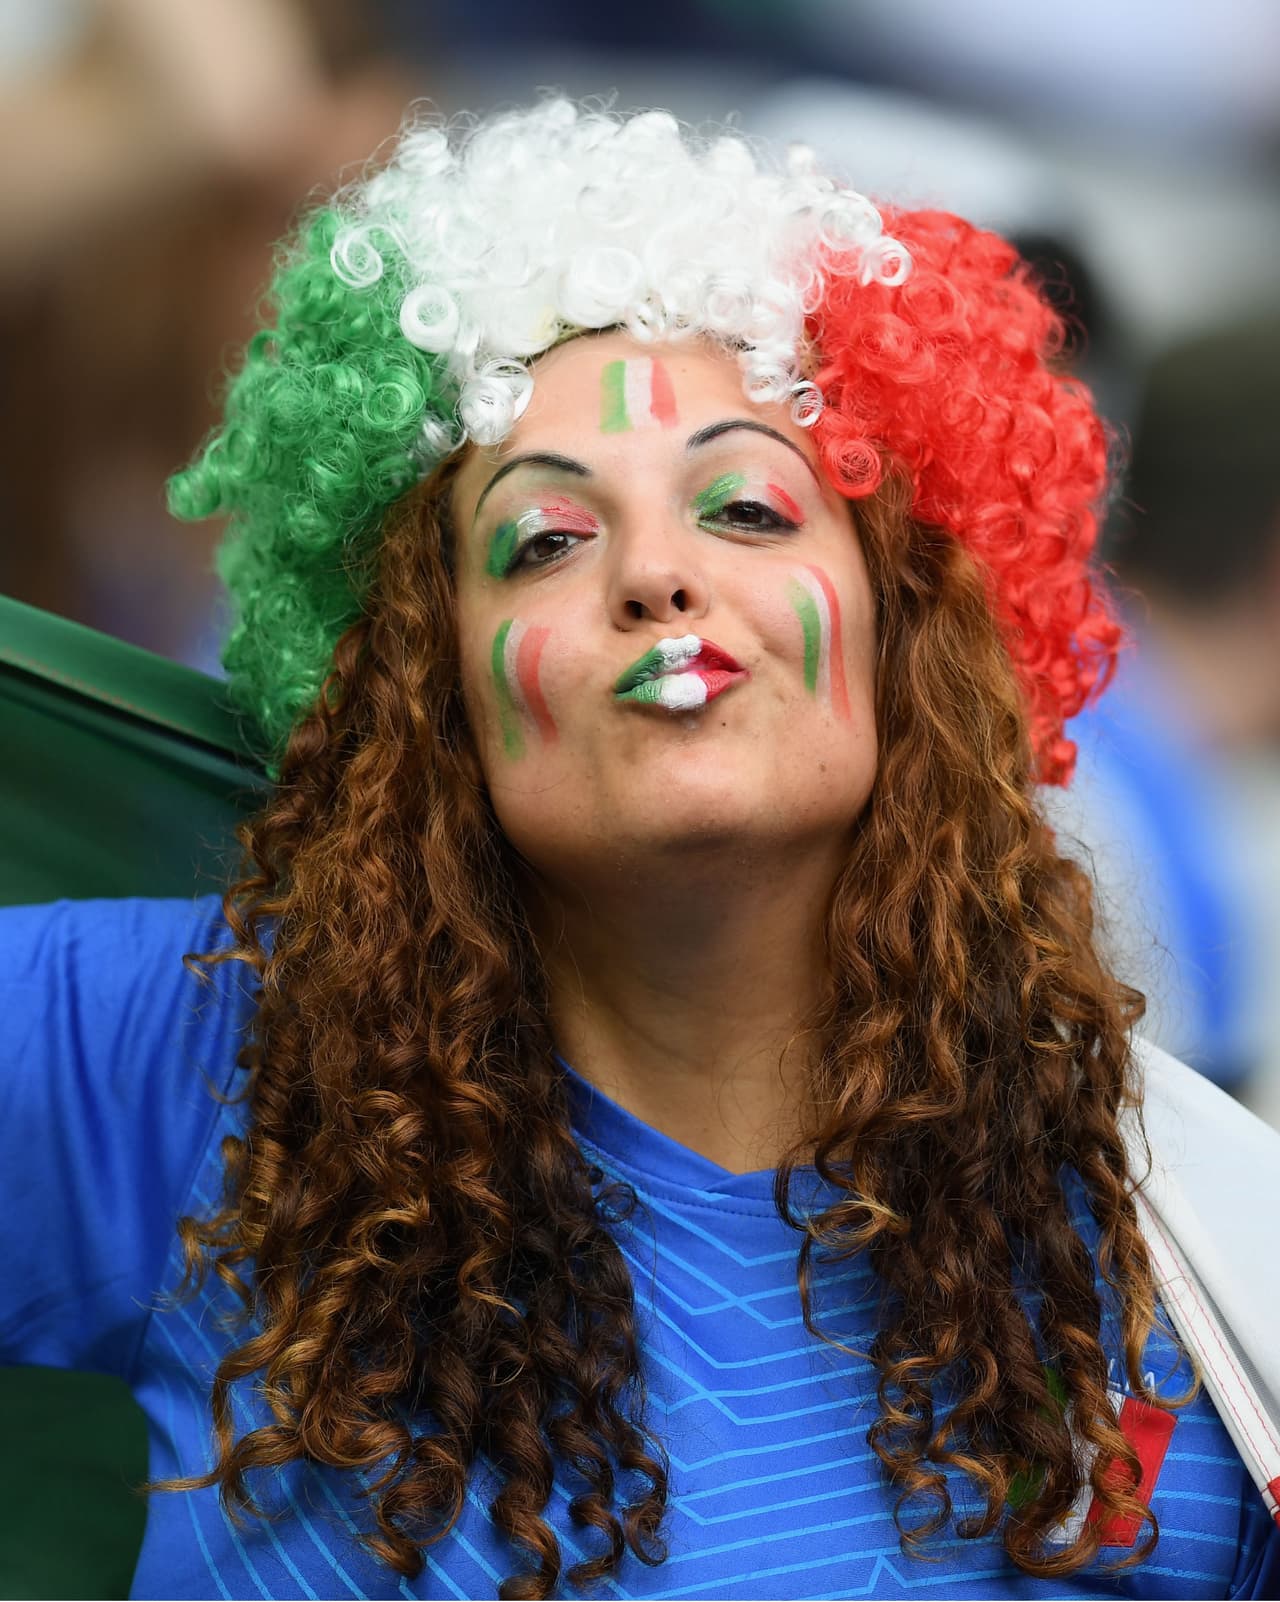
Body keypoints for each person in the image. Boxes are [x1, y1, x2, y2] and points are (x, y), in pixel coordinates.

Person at [1, 99, 1277, 1601]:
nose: (660, 574)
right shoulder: (198, 1062)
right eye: (546, 539)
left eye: (745, 507)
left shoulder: (1192, 1259)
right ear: (432, 689)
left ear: (899, 623)